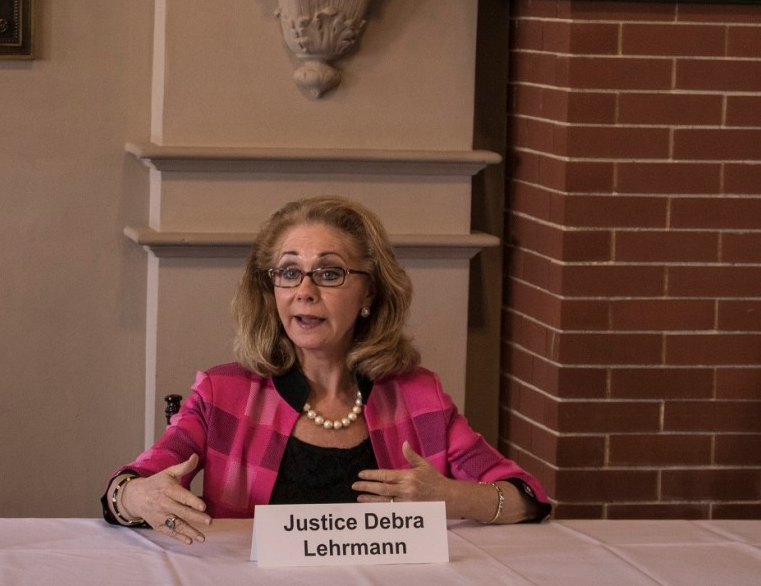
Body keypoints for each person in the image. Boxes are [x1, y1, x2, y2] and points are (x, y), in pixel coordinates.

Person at [102, 196, 550, 544]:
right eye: (289, 272)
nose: (305, 291)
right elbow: (124, 488)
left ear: (369, 293)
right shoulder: (224, 394)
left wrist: (450, 497)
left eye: (330, 274)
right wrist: (139, 497)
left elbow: (528, 497)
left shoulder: (418, 396)